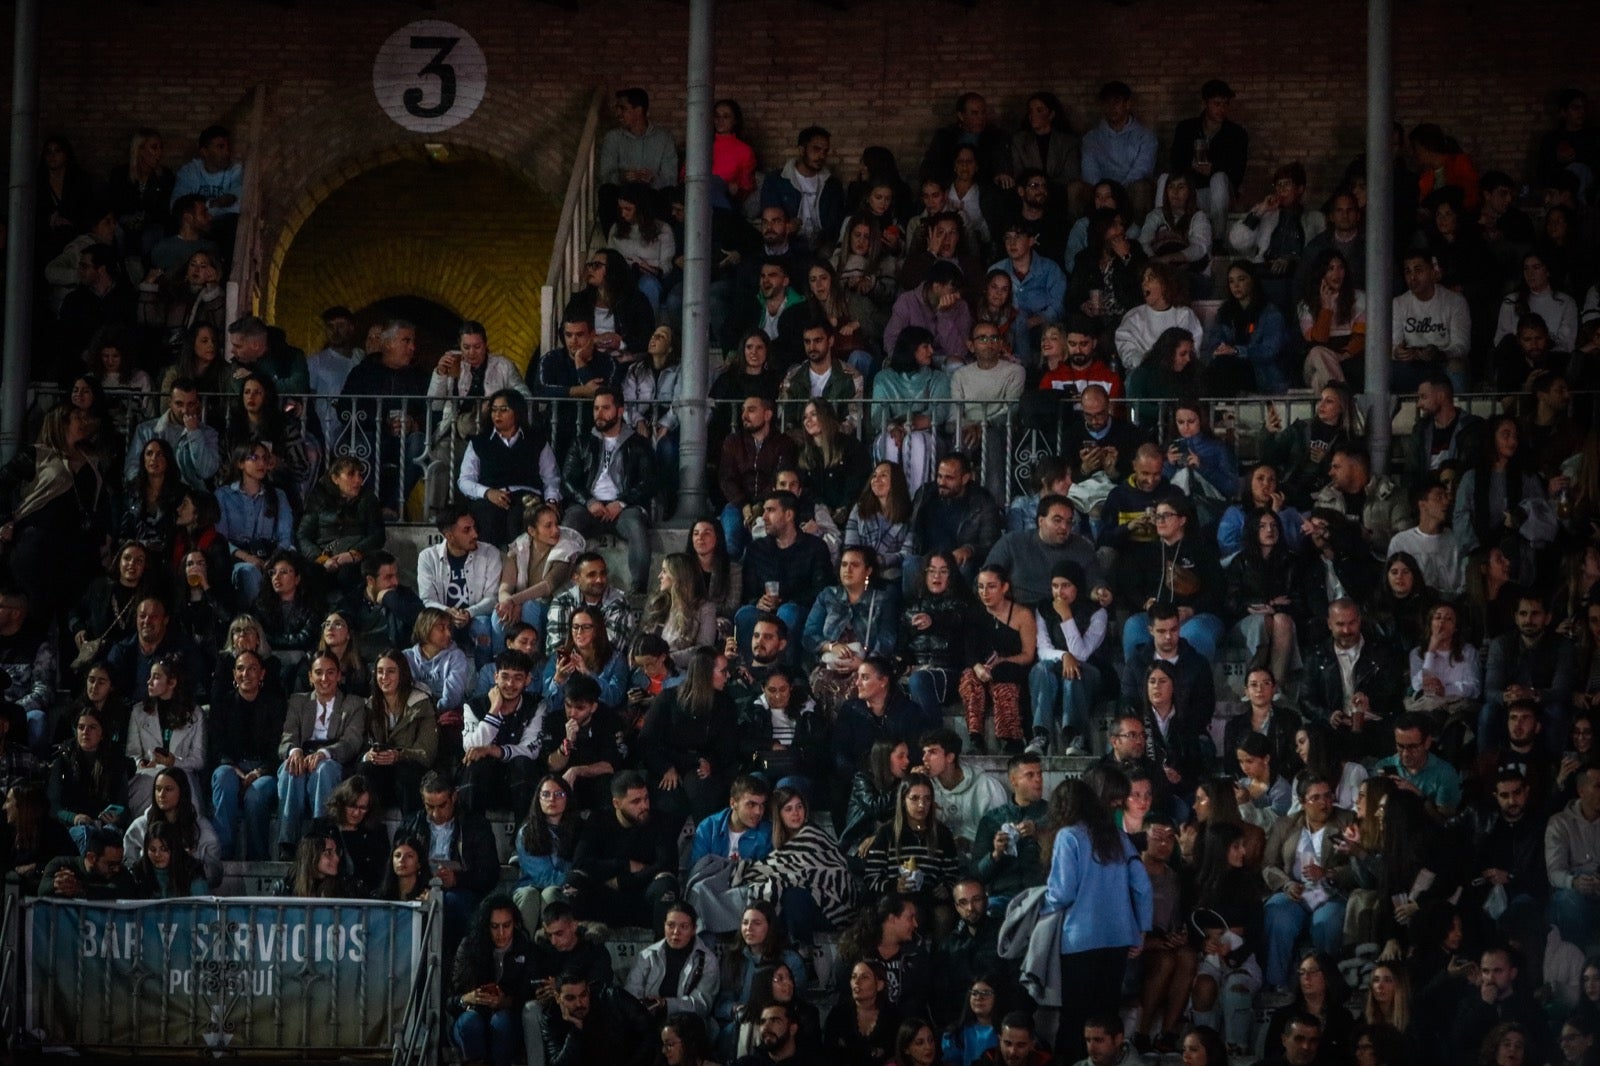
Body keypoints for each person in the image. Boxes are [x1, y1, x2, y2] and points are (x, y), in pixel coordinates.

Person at [1044, 777, 1152, 1064]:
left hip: (1080, 939)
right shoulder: (1118, 836)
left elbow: (1062, 892)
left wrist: (1040, 905)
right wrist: (1142, 929)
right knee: (1106, 1015)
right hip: (1118, 937)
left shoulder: (1068, 836)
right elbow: (1142, 885)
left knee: (1076, 1017)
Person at [560, 388, 655, 596]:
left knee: (636, 527)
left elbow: (648, 482)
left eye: (605, 408)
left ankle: (639, 589)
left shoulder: (638, 443)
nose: (599, 414)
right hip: (589, 506)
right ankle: (563, 584)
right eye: (595, 408)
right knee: (568, 526)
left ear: (620, 411)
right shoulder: (582, 441)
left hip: (624, 507)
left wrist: (621, 503)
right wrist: (588, 501)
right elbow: (567, 480)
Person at [274, 652, 365, 858]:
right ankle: (287, 843)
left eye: (330, 673)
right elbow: (287, 737)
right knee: (290, 769)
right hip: (302, 755)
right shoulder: (298, 701)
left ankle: (321, 837)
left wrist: (325, 753)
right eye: (319, 673)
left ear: (339, 676)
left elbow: (351, 742)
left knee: (324, 769)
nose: (324, 679)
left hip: (333, 759)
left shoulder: (354, 704)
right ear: (310, 677)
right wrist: (294, 750)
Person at [568, 771, 678, 930]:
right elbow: (580, 863)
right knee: (574, 881)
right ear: (617, 804)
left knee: (666, 885)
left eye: (646, 798)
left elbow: (666, 864)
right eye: (636, 801)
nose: (644, 806)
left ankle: (661, 951)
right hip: (605, 897)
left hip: (643, 895)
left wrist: (624, 882)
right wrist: (624, 865)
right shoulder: (599, 820)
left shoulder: (660, 821)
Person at [457, 388, 561, 551]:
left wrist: (551, 501)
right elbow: (464, 480)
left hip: (526, 497)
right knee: (487, 517)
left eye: (504, 410)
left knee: (520, 516)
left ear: (517, 412)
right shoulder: (479, 442)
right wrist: (488, 492)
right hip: (491, 498)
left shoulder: (536, 440)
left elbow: (551, 477)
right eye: (494, 410)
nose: (497, 415)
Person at [737, 492, 833, 660]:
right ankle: (750, 670)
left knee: (788, 612)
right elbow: (747, 592)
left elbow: (822, 592)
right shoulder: (756, 549)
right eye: (764, 511)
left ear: (789, 515)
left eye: (771, 511)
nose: (764, 517)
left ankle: (784, 673)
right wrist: (758, 602)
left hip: (801, 611)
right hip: (765, 612)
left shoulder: (815, 547)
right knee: (745, 614)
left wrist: (786, 600)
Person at [1029, 560, 1110, 757]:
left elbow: (1082, 654)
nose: (1059, 592)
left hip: (1089, 672)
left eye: (1066, 586)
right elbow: (1043, 649)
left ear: (1078, 586)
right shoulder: (1044, 609)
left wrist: (1066, 618)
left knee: (1073, 672)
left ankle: (1076, 737)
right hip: (1054, 666)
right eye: (1055, 586)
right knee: (1041, 668)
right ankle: (1041, 735)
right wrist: (1064, 655)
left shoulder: (1098, 612)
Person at [958, 565, 1035, 756]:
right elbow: (969, 649)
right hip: (982, 667)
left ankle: (1011, 739)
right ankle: (975, 738)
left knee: (1003, 676)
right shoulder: (974, 613)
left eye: (991, 586)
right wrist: (977, 667)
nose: (985, 592)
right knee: (969, 678)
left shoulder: (1022, 615)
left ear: (1004, 587)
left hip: (1013, 666)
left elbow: (1028, 654)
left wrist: (1002, 661)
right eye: (981, 587)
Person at [418, 504, 504, 666]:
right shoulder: (428, 557)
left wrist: (468, 613)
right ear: (449, 536)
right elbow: (427, 600)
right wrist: (447, 612)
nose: (475, 534)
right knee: (431, 625)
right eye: (467, 530)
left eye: (474, 528)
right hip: (444, 618)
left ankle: (486, 674)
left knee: (483, 626)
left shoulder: (489, 553)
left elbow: (492, 598)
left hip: (476, 617)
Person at [720, 395, 800, 561]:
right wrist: (744, 505)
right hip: (737, 504)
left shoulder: (784, 443)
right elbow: (727, 478)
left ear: (767, 414)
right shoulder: (733, 441)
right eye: (743, 411)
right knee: (731, 542)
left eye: (751, 410)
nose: (744, 416)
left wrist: (761, 504)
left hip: (771, 504)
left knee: (765, 547)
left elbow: (778, 478)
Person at [626, 903, 720, 1024]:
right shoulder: (647, 956)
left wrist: (666, 1004)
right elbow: (630, 993)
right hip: (648, 1020)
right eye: (670, 925)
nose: (676, 932)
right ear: (664, 925)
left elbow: (702, 1005)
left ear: (694, 930)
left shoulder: (707, 960)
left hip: (686, 1025)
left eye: (684, 926)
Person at [1204, 260, 1289, 394]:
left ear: (1252, 280)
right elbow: (1214, 341)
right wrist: (1219, 350)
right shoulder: (1225, 312)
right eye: (1231, 281)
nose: (1236, 286)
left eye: (1241, 279)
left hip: (1260, 372)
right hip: (1227, 367)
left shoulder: (1271, 314)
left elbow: (1270, 350)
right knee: (1217, 366)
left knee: (1223, 367)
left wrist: (1237, 351)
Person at [124, 379, 220, 492]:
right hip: (156, 493)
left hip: (191, 496)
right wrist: (149, 487)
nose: (185, 410)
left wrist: (194, 433)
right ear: (170, 402)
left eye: (191, 404)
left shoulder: (208, 433)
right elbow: (132, 468)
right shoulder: (146, 430)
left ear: (197, 404)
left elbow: (206, 471)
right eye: (179, 404)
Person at [821, 959, 901, 1066]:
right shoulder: (838, 1014)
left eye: (864, 977)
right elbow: (828, 1053)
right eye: (854, 977)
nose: (857, 982)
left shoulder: (893, 1017)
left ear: (879, 985)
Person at [39, 826, 132, 900]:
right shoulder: (61, 864)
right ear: (91, 858)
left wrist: (81, 889)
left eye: (119, 863)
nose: (117, 869)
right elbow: (42, 890)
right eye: (111, 865)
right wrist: (57, 884)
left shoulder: (122, 874)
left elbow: (120, 892)